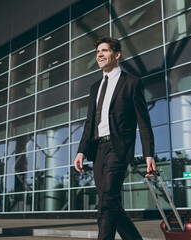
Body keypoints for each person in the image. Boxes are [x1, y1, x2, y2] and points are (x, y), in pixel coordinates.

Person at [74, 36, 156, 240]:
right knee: (108, 202)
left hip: (118, 148)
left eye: (104, 51)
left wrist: (149, 154)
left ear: (117, 55)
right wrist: (81, 150)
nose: (99, 55)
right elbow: (89, 123)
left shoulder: (132, 82)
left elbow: (143, 121)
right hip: (98, 149)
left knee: (107, 199)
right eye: (97, 52)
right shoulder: (95, 87)